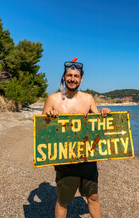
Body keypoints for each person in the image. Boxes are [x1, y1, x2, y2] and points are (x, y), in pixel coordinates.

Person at [42, 57, 110, 218]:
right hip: (65, 158)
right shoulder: (53, 99)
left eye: (76, 76)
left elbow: (99, 124)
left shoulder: (88, 99)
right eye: (69, 76)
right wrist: (48, 117)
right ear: (64, 77)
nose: (72, 79)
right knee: (63, 200)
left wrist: (105, 113)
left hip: (88, 158)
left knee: (93, 196)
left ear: (81, 79)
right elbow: (41, 130)